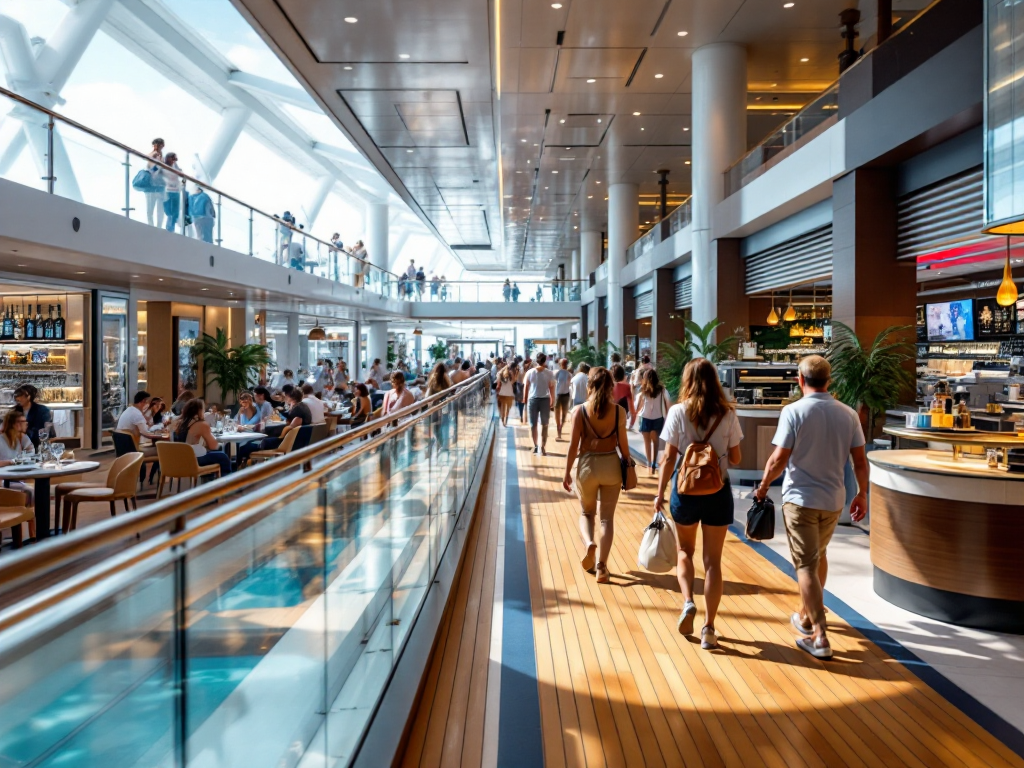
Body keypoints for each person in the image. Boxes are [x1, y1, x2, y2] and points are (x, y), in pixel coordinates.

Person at [754, 355, 868, 660]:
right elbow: (860, 461)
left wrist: (763, 487)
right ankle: (805, 615)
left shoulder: (793, 411)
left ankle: (818, 636)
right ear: (829, 381)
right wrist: (862, 495)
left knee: (804, 565)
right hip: (833, 501)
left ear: (800, 380)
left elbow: (778, 459)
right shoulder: (848, 414)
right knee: (819, 557)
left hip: (800, 501)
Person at [654, 358, 743, 650]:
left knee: (684, 552)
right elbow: (738, 458)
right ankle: (709, 628)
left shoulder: (678, 411)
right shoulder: (728, 413)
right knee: (713, 562)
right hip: (718, 490)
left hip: (686, 490)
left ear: (687, 380)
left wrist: (659, 493)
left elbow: (668, 457)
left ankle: (688, 602)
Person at [562, 367, 630, 584]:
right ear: (611, 387)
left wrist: (566, 472)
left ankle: (589, 542)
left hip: (587, 466)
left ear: (589, 386)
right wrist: (628, 464)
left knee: (586, 513)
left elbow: (574, 446)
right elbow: (624, 447)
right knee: (607, 519)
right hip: (610, 465)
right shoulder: (619, 412)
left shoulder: (579, 411)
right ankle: (602, 567)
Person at [173, 398, 232, 478]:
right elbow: (213, 446)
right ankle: (226, 486)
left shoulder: (177, 422)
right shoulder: (201, 424)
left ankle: (207, 483)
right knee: (223, 457)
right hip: (192, 460)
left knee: (210, 456)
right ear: (200, 410)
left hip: (177, 460)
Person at [635, 368, 671, 473]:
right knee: (655, 442)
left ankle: (649, 463)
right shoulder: (662, 390)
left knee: (647, 442)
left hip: (644, 417)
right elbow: (668, 403)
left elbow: (637, 405)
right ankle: (654, 463)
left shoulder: (642, 389)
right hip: (658, 418)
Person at [0, 410, 36, 508]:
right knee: (30, 490)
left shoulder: (21, 438)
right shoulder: (1, 439)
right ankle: (24, 516)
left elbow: (32, 453)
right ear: (16, 424)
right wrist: (11, 462)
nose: (27, 424)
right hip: (2, 480)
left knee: (33, 490)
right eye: (24, 422)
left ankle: (24, 516)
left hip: (15, 478)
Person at [523, 353, 556, 455]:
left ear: (536, 360)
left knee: (533, 425)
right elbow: (552, 388)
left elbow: (526, 387)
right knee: (545, 424)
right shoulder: (549, 373)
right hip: (545, 400)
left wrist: (524, 400)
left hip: (532, 400)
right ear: (545, 360)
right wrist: (552, 400)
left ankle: (536, 446)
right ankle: (543, 446)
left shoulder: (530, 372)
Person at [115, 390, 164, 458]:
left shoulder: (129, 410)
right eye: (147, 402)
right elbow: (146, 433)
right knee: (163, 450)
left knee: (158, 447)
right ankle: (159, 468)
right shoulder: (137, 414)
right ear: (143, 401)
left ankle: (155, 469)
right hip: (134, 450)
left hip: (124, 448)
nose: (148, 405)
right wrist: (161, 436)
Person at [159, 152, 184, 232]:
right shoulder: (162, 167)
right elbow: (156, 173)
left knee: (175, 213)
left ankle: (170, 228)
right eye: (173, 158)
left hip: (176, 191)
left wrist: (176, 164)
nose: (173, 160)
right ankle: (169, 229)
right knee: (169, 211)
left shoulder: (175, 167)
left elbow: (181, 174)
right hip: (167, 191)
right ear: (168, 158)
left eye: (175, 159)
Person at [145, 138, 166, 227]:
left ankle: (158, 227)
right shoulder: (154, 155)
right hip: (152, 185)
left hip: (159, 185)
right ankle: (152, 226)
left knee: (159, 209)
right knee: (151, 209)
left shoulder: (160, 156)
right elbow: (152, 169)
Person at [611, 364, 636, 428]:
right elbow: (632, 409)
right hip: (621, 419)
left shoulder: (608, 386)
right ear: (623, 375)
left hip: (609, 418)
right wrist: (631, 424)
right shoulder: (626, 387)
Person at [553, 358, 573, 440]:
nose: (564, 364)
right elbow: (553, 383)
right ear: (560, 364)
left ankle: (560, 428)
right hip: (558, 395)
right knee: (557, 414)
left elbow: (569, 384)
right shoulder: (557, 373)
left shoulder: (569, 374)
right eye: (563, 363)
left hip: (566, 395)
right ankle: (559, 431)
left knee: (564, 414)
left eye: (565, 363)